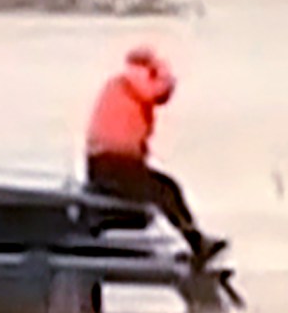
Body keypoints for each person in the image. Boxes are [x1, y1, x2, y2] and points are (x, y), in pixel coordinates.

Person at [83, 46, 223, 264]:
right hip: (112, 165)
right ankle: (196, 243)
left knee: (167, 188)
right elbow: (158, 93)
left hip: (107, 164)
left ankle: (195, 241)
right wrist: (164, 73)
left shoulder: (120, 85)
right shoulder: (134, 84)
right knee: (165, 192)